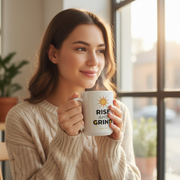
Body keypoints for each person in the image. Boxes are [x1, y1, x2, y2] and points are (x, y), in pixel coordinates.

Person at [5, 8, 141, 180]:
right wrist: (65, 142)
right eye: (81, 49)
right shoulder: (22, 118)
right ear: (53, 54)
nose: (94, 62)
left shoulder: (116, 112)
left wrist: (110, 149)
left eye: (100, 51)